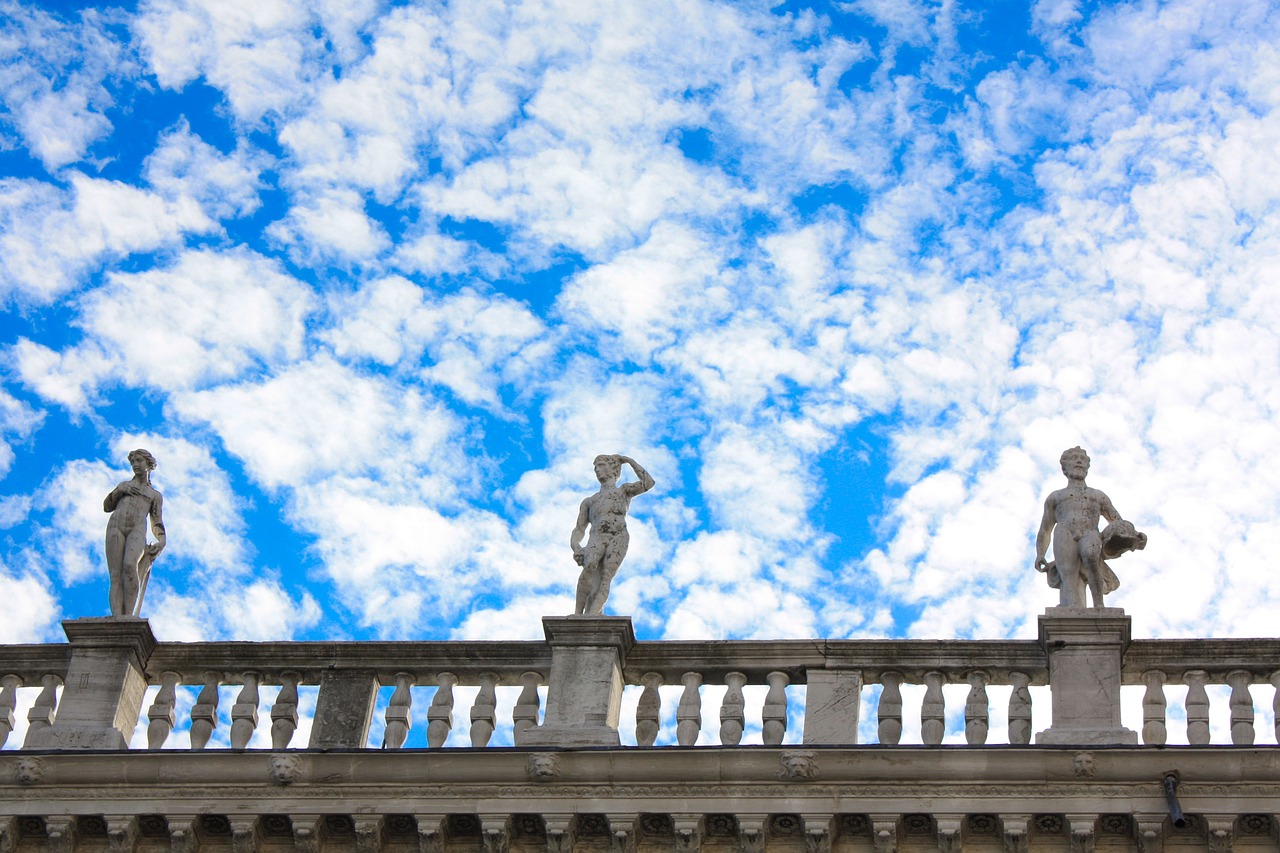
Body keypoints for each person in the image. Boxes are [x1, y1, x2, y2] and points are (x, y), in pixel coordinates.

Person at [1034, 446, 1144, 608]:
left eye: (1082, 459)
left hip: (1090, 532)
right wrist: (1040, 553)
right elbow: (1045, 529)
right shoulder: (1056, 497)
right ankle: (1072, 606)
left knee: (1091, 556)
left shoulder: (1097, 495)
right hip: (1064, 532)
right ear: (1065, 468)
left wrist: (1134, 536)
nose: (1079, 461)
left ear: (1087, 467)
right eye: (1074, 458)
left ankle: (1099, 605)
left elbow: (1116, 521)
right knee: (1068, 572)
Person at [570, 454, 654, 615]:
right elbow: (579, 529)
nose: (597, 470)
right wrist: (576, 547)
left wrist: (629, 460)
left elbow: (648, 483)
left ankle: (593, 614)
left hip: (618, 536)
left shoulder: (623, 491)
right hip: (597, 536)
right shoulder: (590, 501)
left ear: (613, 468)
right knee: (590, 566)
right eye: (595, 467)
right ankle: (578, 613)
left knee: (606, 577)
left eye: (601, 465)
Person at [103, 449, 166, 617]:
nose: (136, 465)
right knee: (116, 575)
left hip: (137, 529)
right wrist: (119, 491)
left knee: (130, 566)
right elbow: (107, 506)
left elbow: (157, 521)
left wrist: (161, 541)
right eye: (133, 462)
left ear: (148, 464)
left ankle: (128, 616)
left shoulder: (154, 495)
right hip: (115, 527)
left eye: (139, 461)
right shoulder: (124, 485)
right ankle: (117, 616)